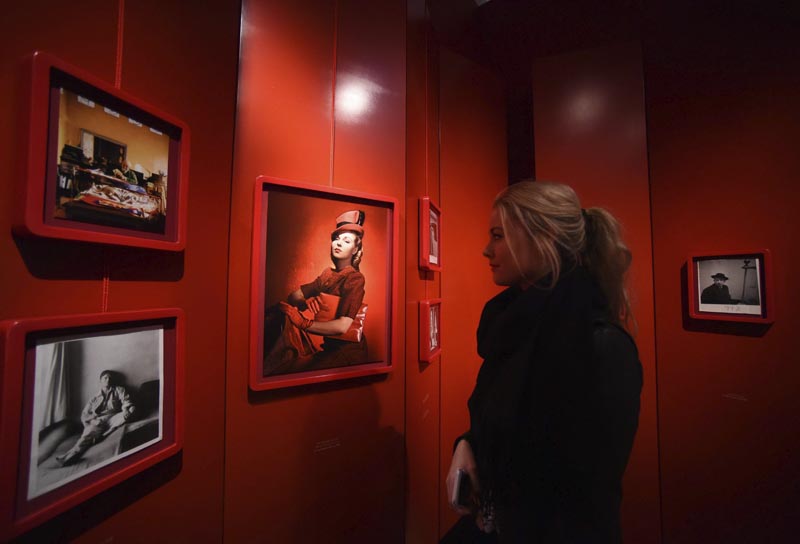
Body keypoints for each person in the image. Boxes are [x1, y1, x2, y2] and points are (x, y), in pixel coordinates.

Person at [443, 181, 643, 543]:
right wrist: (466, 444)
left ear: (544, 237)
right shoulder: (510, 326)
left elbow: (585, 493)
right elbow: (497, 413)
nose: (486, 250)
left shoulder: (602, 346)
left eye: (498, 235)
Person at [263, 210, 368, 375]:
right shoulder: (327, 275)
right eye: (336, 239)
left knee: (291, 373)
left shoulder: (355, 278)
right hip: (328, 350)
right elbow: (293, 297)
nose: (338, 243)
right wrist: (307, 300)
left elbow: (342, 326)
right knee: (277, 312)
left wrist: (303, 323)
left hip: (347, 355)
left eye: (346, 241)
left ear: (355, 250)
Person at [56, 370, 135, 466]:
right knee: (87, 436)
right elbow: (84, 415)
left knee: (132, 410)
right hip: (99, 421)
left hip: (114, 417)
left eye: (110, 378)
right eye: (105, 378)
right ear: (100, 381)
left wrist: (126, 409)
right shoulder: (94, 398)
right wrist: (93, 421)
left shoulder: (119, 390)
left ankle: (102, 435)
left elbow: (126, 400)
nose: (108, 379)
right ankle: (68, 457)